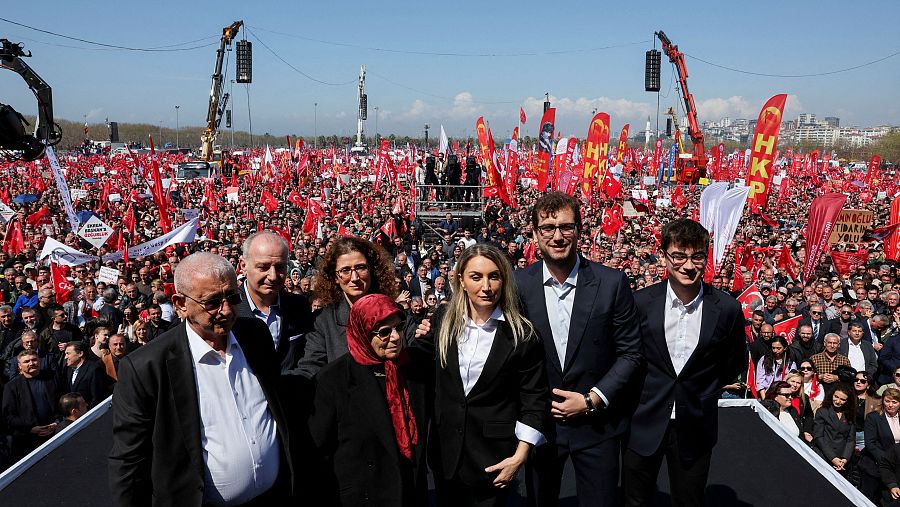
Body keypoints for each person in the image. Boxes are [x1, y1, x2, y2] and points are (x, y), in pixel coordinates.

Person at [109, 252, 297, 506]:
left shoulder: (255, 334)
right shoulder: (145, 367)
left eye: (233, 297)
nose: (227, 310)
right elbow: (129, 460)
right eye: (213, 302)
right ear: (180, 304)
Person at [514, 192, 641, 507]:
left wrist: (590, 400)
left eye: (566, 227)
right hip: (540, 426)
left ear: (579, 230)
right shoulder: (517, 285)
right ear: (534, 233)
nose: (557, 236)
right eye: (548, 228)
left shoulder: (611, 283)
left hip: (598, 427)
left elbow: (631, 353)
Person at [624, 218, 746, 507]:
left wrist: (701, 389)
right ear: (664, 256)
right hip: (643, 421)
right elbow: (628, 357)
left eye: (697, 257)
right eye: (679, 256)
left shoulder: (727, 309)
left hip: (696, 424)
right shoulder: (640, 302)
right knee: (634, 501)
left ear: (706, 258)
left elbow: (733, 363)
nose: (688, 265)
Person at [425, 244, 549, 506]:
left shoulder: (523, 335)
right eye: (476, 277)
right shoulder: (442, 321)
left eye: (494, 276)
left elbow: (534, 400)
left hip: (494, 459)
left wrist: (520, 457)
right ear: (461, 280)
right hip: (445, 456)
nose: (486, 286)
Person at [309, 294, 429, 506]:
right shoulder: (334, 379)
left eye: (399, 327)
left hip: (410, 490)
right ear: (362, 332)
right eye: (384, 332)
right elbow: (320, 451)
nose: (395, 337)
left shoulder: (414, 368)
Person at [295, 237, 399, 379]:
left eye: (361, 268)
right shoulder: (322, 321)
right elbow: (311, 367)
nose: (355, 277)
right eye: (345, 270)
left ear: (372, 269)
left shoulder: (395, 312)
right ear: (335, 277)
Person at [235, 231, 314, 373]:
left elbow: (308, 357)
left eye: (279, 267)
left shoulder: (299, 306)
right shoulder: (229, 309)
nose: (272, 276)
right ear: (243, 265)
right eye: (263, 267)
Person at [1, 349, 60, 460]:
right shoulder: (12, 386)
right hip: (27, 440)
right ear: (19, 366)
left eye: (34, 360)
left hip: (55, 433)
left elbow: (61, 403)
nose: (31, 363)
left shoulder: (51, 379)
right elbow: (8, 416)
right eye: (26, 361)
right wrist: (30, 429)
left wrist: (57, 423)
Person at [861, 389, 900, 503]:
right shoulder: (873, 417)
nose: (890, 405)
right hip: (875, 466)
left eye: (894, 402)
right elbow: (870, 444)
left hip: (895, 470)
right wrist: (888, 460)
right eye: (887, 401)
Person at [813, 383, 856, 475]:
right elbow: (818, 437)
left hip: (842, 460)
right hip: (824, 456)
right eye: (836, 397)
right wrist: (833, 458)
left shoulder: (849, 415)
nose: (838, 401)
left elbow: (851, 439)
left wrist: (845, 459)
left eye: (842, 399)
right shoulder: (822, 412)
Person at [63, 341, 107, 408]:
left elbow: (97, 397)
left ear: (80, 353)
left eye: (68, 353)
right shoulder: (68, 370)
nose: (65, 357)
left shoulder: (94, 370)